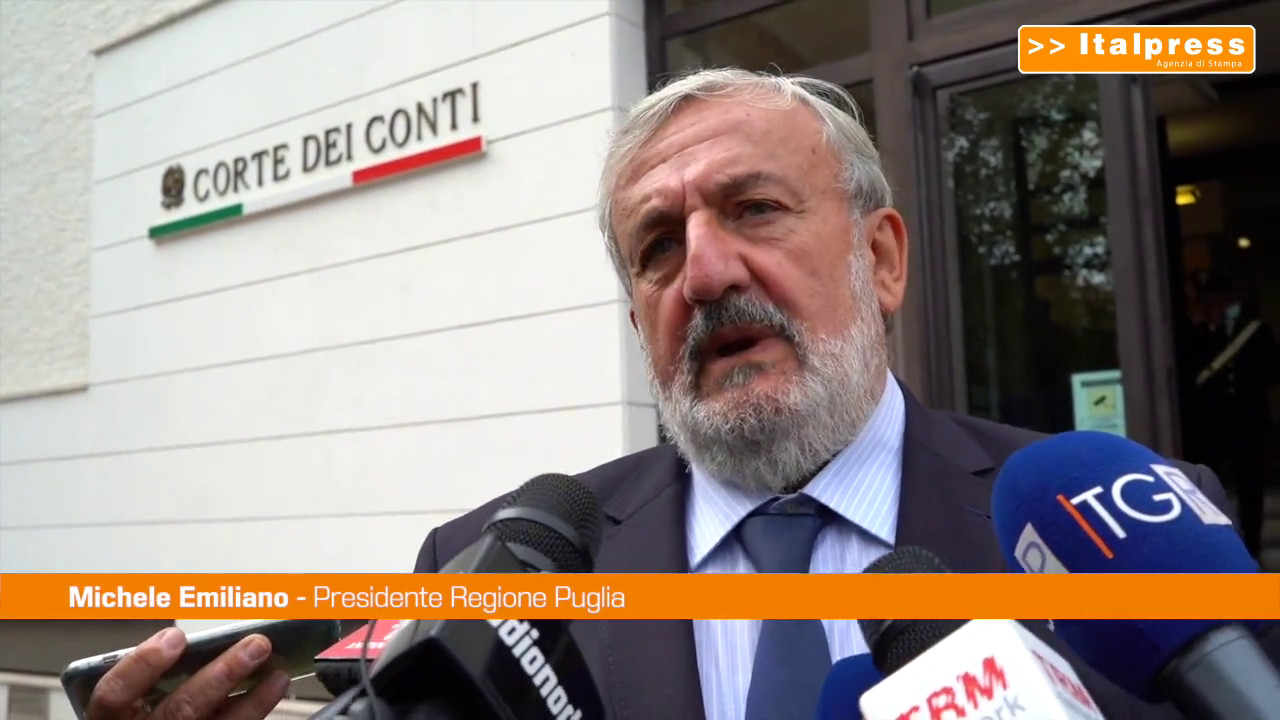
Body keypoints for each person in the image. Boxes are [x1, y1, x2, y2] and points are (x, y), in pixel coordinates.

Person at [86, 69, 1265, 720]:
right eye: (656, 247)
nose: (702, 273)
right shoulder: (484, 574)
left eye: (753, 209)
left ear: (881, 258)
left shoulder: (1128, 534)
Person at [1184, 269, 1280, 559]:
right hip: (1212, 423)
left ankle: (1251, 547)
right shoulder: (1202, 331)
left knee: (1250, 487)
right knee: (1209, 485)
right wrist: (1204, 328)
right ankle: (1216, 546)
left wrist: (1249, 385)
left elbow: (1272, 368)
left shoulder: (1255, 330)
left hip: (1247, 420)